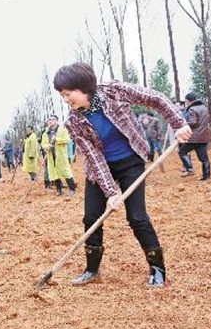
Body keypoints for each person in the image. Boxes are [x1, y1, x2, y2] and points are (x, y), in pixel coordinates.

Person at [53, 62, 191, 287]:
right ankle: (92, 269)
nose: (66, 99)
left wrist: (178, 124)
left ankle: (157, 269)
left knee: (137, 217)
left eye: (68, 94)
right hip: (100, 168)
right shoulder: (73, 122)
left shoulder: (113, 91)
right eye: (62, 96)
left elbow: (155, 98)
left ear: (83, 86)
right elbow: (94, 157)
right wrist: (110, 192)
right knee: (91, 218)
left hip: (130, 161)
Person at [41, 115, 77, 196]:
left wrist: (57, 139)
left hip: (61, 156)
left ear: (57, 121)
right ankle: (59, 190)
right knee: (55, 173)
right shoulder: (46, 133)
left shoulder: (62, 130)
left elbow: (67, 140)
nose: (50, 121)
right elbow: (43, 143)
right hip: (51, 156)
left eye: (52, 119)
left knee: (66, 172)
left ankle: (72, 189)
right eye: (49, 120)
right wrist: (47, 146)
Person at [179, 92, 211, 181]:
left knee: (182, 152)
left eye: (186, 101)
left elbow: (193, 123)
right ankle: (207, 176)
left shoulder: (192, 109)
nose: (186, 103)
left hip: (194, 137)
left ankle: (189, 168)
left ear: (189, 101)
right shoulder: (204, 108)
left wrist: (183, 123)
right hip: (203, 137)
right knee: (204, 158)